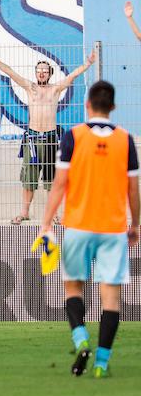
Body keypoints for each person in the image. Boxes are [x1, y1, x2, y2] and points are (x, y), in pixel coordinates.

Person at [36, 81, 139, 379]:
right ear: (114, 107)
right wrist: (136, 224)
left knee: (73, 288)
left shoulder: (73, 136)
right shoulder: (125, 140)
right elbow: (134, 189)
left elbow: (59, 183)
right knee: (111, 298)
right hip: (112, 228)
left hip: (79, 226)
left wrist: (46, 222)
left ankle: (81, 340)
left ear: (87, 105)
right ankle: (102, 364)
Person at [0, 46, 97, 225]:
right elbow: (11, 73)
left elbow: (73, 75)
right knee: (29, 178)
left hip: (51, 138)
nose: (42, 73)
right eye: (39, 70)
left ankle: (55, 213)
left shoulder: (55, 89)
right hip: (33, 139)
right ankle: (25, 212)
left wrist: (88, 63)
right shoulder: (30, 88)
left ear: (50, 73)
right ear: (36, 73)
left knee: (52, 180)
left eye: (45, 71)